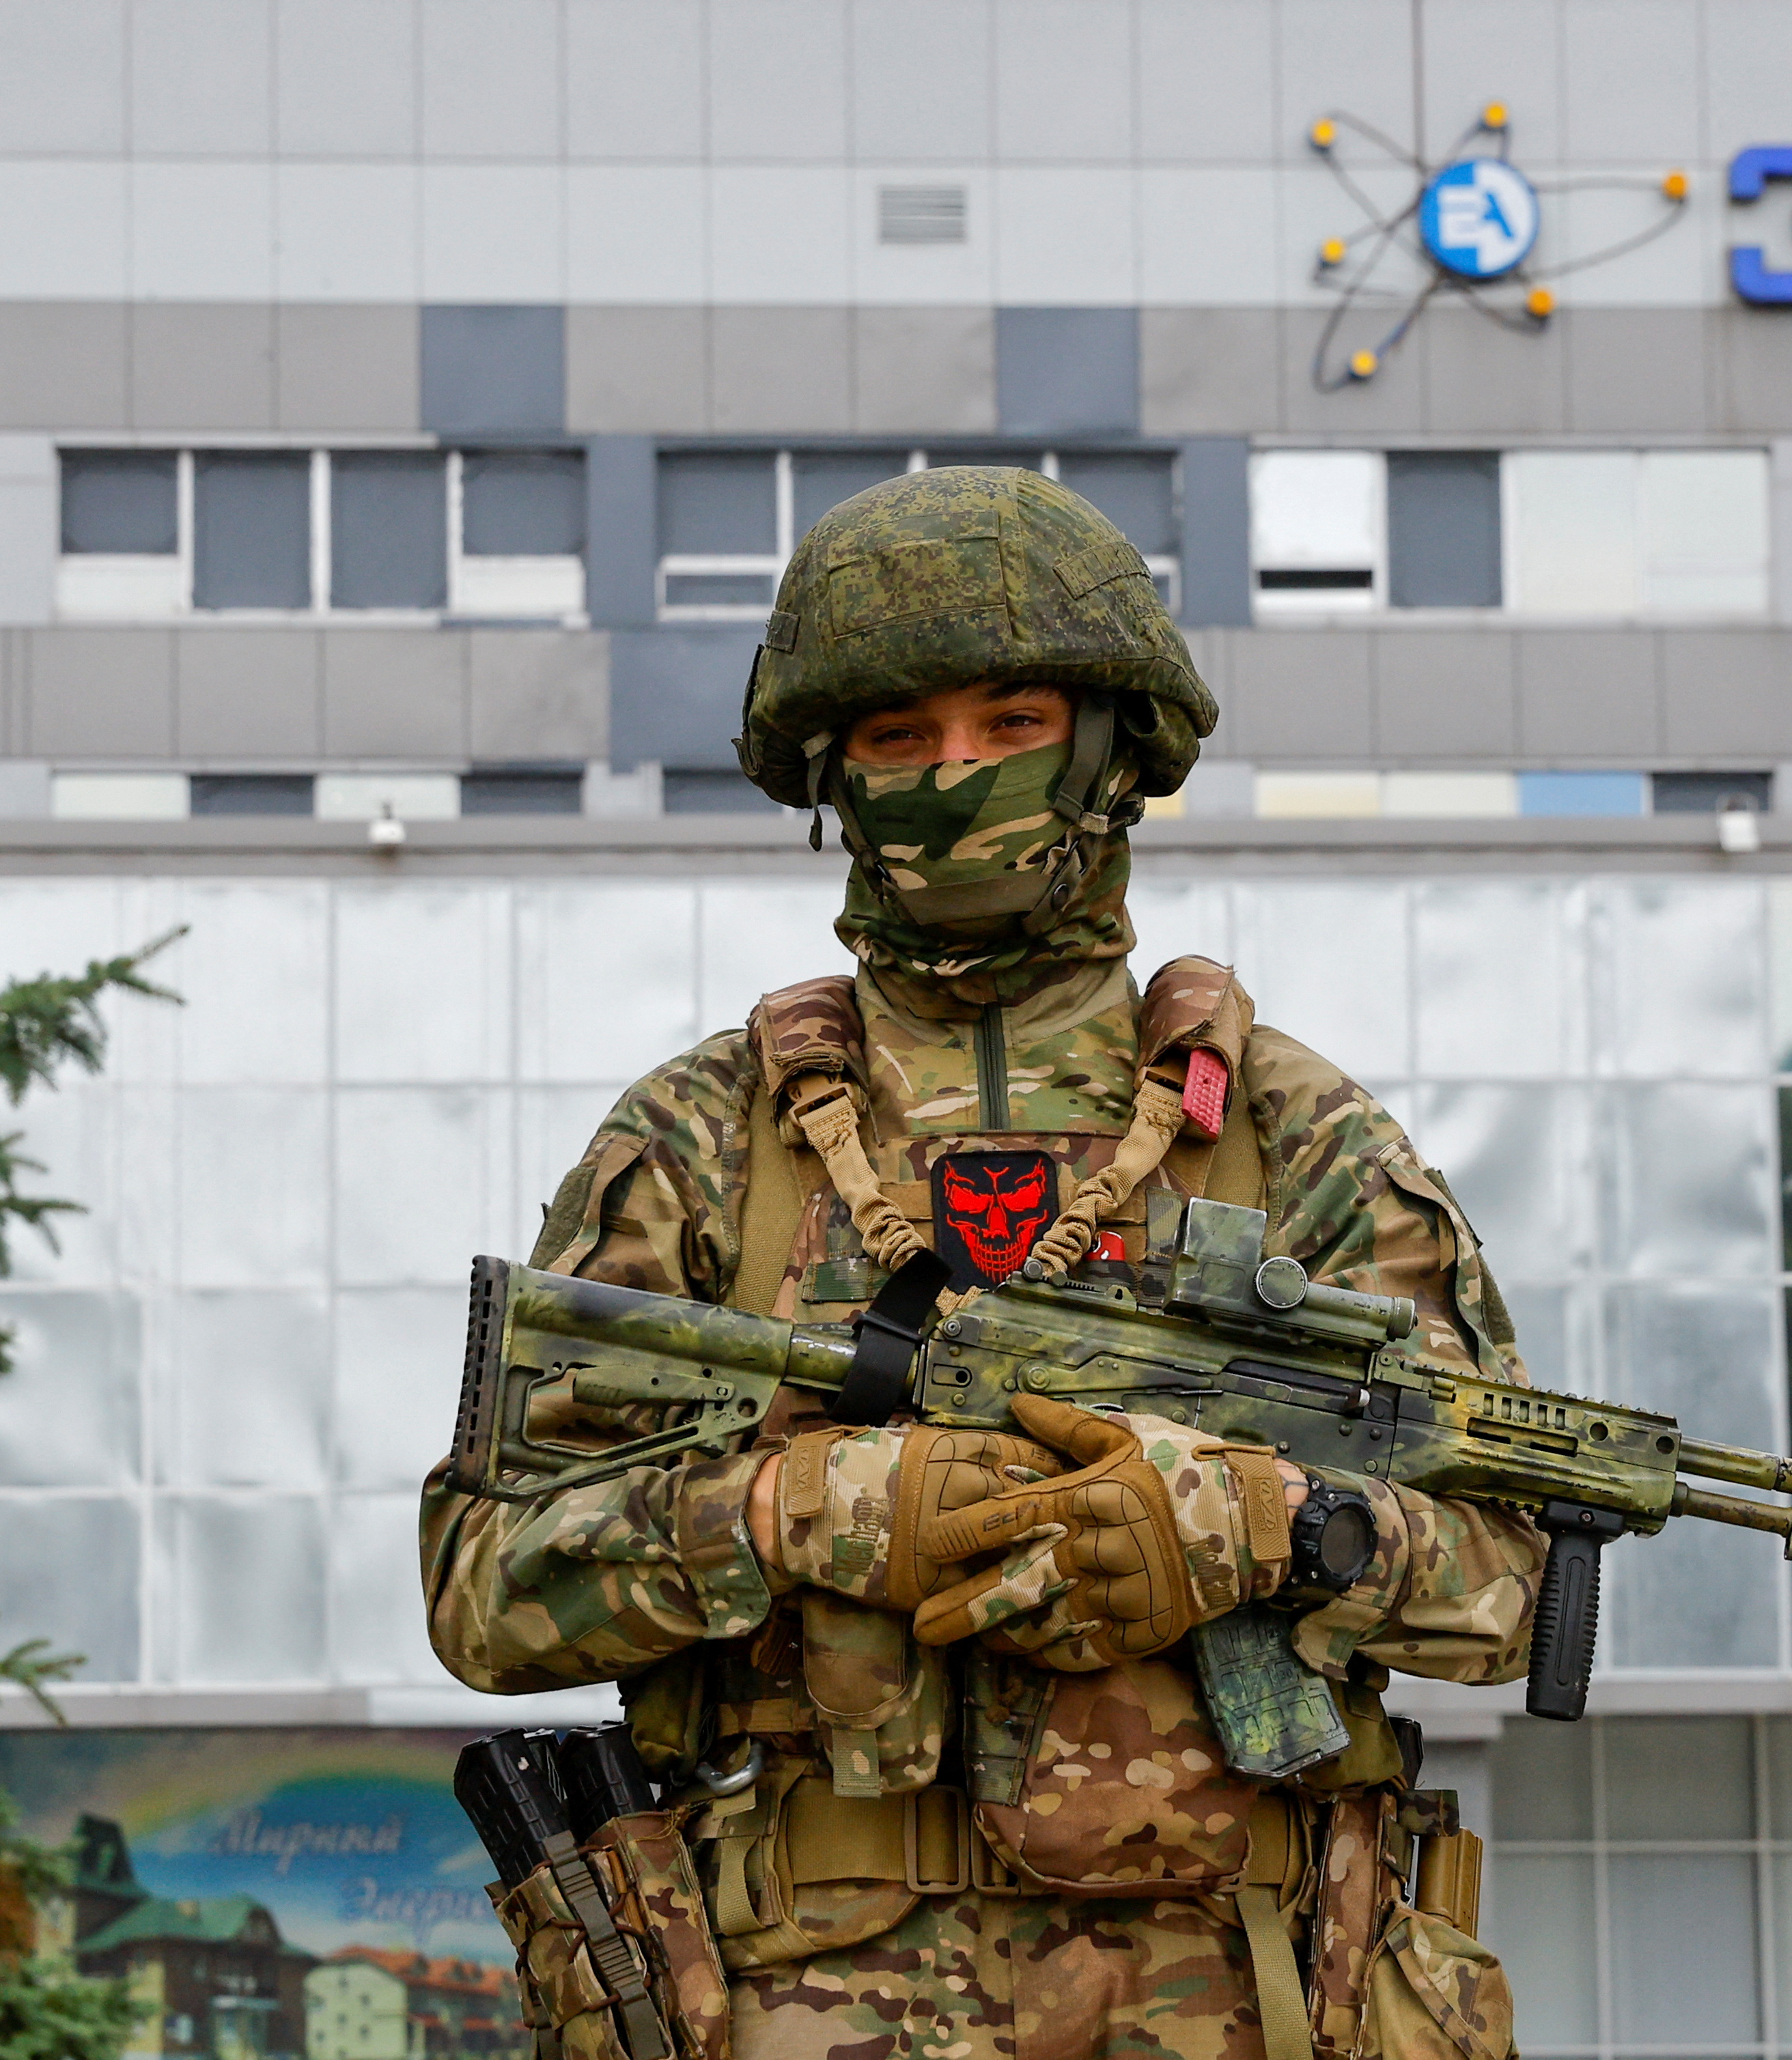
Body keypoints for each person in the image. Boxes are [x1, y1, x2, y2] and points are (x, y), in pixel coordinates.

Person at [421, 466, 1543, 2060]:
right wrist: (787, 1515)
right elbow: (480, 1590)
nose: (955, 775)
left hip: (1248, 1995)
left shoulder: (1293, 1133)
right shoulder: (702, 1144)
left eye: (1009, 723)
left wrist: (1278, 1527)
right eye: (899, 739)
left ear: (1108, 746)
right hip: (786, 1994)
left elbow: (1517, 1576)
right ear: (836, 777)